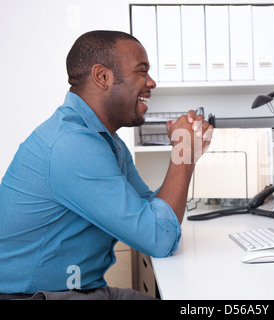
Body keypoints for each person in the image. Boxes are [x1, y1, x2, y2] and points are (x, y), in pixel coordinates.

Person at [0, 30, 213, 300]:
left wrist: (186, 151)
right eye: (142, 71)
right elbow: (158, 238)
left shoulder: (104, 140)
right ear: (103, 77)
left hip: (82, 289)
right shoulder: (72, 145)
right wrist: (184, 153)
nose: (152, 82)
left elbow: (152, 213)